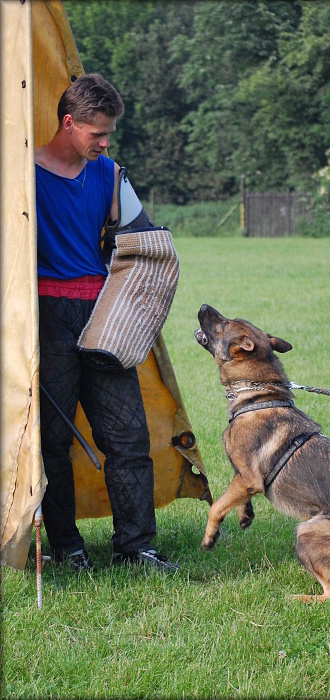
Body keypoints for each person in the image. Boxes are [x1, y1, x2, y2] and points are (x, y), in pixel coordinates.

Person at [35, 73, 178, 572]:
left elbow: (144, 239)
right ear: (69, 123)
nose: (105, 142)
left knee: (128, 438)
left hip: (104, 318)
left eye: (110, 134)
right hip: (43, 318)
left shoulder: (110, 174)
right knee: (50, 442)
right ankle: (66, 548)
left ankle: (137, 548)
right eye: (97, 132)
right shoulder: (19, 174)